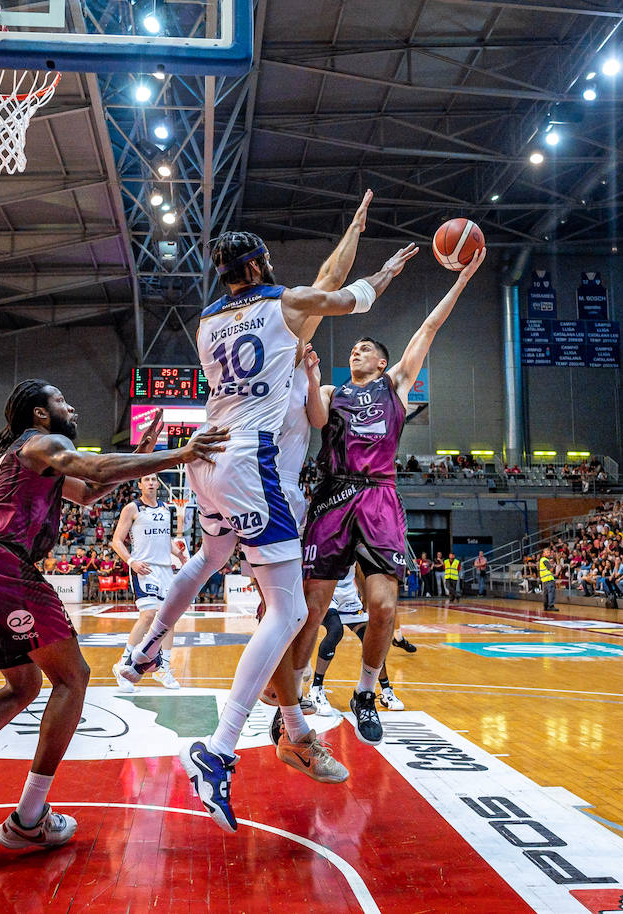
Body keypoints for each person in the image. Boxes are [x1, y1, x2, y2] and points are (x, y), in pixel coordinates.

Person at [114, 197, 413, 831]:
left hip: (207, 457)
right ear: (264, 264)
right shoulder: (288, 308)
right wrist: (383, 267)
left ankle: (145, 653)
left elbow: (321, 284)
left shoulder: (206, 322)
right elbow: (348, 289)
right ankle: (219, 753)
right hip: (254, 466)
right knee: (291, 611)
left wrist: (350, 233)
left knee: (208, 556)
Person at [0, 379, 226, 851]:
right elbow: (91, 464)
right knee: (73, 678)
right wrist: (178, 456)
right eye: (62, 402)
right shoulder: (45, 441)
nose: (73, 408)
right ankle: (29, 818)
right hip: (4, 567)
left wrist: (141, 454)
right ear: (41, 414)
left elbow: (88, 490)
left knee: (23, 685)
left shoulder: (20, 456)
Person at [300, 246, 486, 746]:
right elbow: (314, 422)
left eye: (365, 349)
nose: (356, 352)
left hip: (379, 497)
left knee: (382, 606)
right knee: (312, 607)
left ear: (382, 362)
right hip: (332, 496)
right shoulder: (330, 393)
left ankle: (365, 691)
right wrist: (312, 374)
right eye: (354, 349)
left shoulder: (396, 384)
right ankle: (297, 698)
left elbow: (428, 328)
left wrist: (464, 278)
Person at [110, 473, 188, 691]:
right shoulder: (132, 509)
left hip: (165, 569)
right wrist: (132, 561)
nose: (152, 483)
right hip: (143, 568)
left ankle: (163, 668)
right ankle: (124, 664)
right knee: (148, 615)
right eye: (147, 480)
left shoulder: (165, 509)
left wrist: (178, 554)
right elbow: (116, 540)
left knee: (169, 619)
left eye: (154, 479)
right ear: (140, 485)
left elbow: (164, 541)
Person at [306, 567, 404, 716]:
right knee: (335, 630)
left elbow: (359, 571)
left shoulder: (355, 544)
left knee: (371, 639)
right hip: (326, 590)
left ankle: (386, 690)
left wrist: (364, 595)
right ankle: (316, 688)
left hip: (348, 594)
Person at [539, 547, 557, 612]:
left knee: (545, 594)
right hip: (549, 579)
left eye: (549, 552)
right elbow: (551, 569)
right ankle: (551, 606)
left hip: (544, 579)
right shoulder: (545, 560)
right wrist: (554, 565)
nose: (549, 553)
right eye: (547, 552)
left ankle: (545, 606)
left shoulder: (542, 560)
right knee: (551, 592)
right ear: (543, 554)